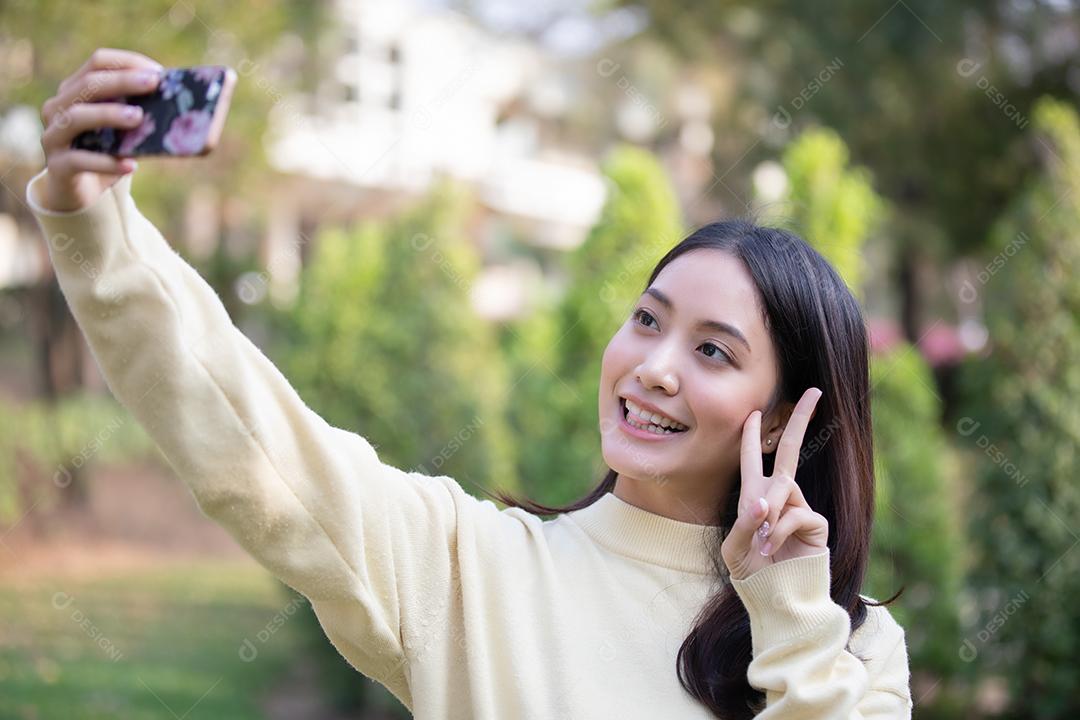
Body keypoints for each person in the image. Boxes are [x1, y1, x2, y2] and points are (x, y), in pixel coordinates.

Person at [27, 47, 912, 719]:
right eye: (647, 319)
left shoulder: (858, 649)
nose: (653, 367)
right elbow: (238, 427)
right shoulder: (465, 568)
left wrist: (790, 615)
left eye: (713, 352)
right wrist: (91, 218)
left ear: (778, 425)